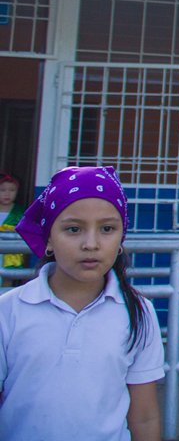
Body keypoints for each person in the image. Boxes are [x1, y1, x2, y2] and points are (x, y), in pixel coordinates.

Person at [0, 166, 164, 440]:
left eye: (107, 229)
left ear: (121, 237)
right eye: (73, 229)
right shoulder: (8, 311)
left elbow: (145, 416)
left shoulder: (139, 312)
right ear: (48, 238)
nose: (91, 244)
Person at [0, 173, 28, 281]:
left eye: (12, 190)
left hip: (12, 255)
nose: (7, 194)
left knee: (8, 280)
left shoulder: (20, 212)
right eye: (3, 190)